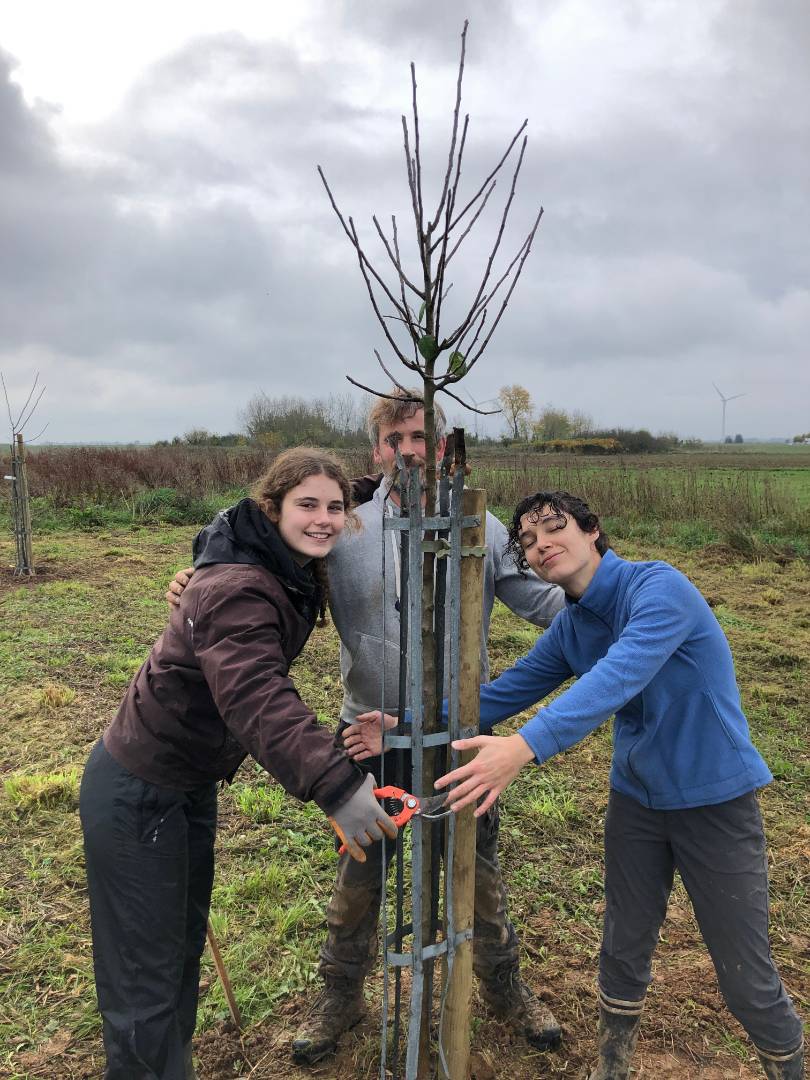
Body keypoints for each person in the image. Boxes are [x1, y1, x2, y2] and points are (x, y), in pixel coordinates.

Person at [347, 490, 804, 1079]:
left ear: (593, 532)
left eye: (554, 529)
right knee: (622, 944)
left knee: (745, 972)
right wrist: (404, 729)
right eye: (529, 543)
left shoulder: (658, 589)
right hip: (637, 800)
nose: (541, 547)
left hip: (714, 800)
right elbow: (498, 695)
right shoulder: (574, 625)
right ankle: (611, 1066)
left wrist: (523, 747)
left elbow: (619, 675)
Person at [168, 390, 567, 1065]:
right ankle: (340, 995)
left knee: (478, 870)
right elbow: (257, 560)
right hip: (368, 739)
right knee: (360, 875)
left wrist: (617, 595)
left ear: (444, 445)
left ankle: (504, 987)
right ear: (376, 448)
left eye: (423, 437)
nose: (411, 450)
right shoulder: (342, 530)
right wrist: (197, 579)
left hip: (460, 740)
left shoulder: (483, 528)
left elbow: (547, 604)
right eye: (396, 438)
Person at [80, 448, 398, 1080]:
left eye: (335, 507)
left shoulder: (265, 553)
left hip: (183, 785)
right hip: (139, 794)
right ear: (271, 507)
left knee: (176, 956)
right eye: (306, 505)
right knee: (145, 979)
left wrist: (393, 477)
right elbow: (255, 693)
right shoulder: (237, 587)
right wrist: (336, 782)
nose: (324, 519)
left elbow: (342, 492)